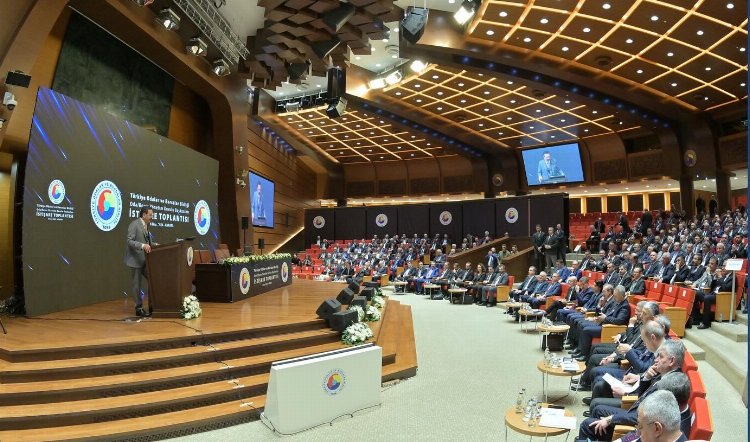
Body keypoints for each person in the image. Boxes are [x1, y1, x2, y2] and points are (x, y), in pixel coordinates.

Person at [124, 206, 154, 317]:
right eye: (150, 215)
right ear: (144, 215)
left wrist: (154, 245)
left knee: (153, 280)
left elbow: (147, 242)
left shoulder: (146, 225)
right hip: (135, 260)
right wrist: (142, 246)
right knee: (137, 285)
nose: (152, 217)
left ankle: (152, 304)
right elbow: (129, 241)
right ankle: (139, 308)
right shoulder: (134, 224)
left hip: (145, 260)